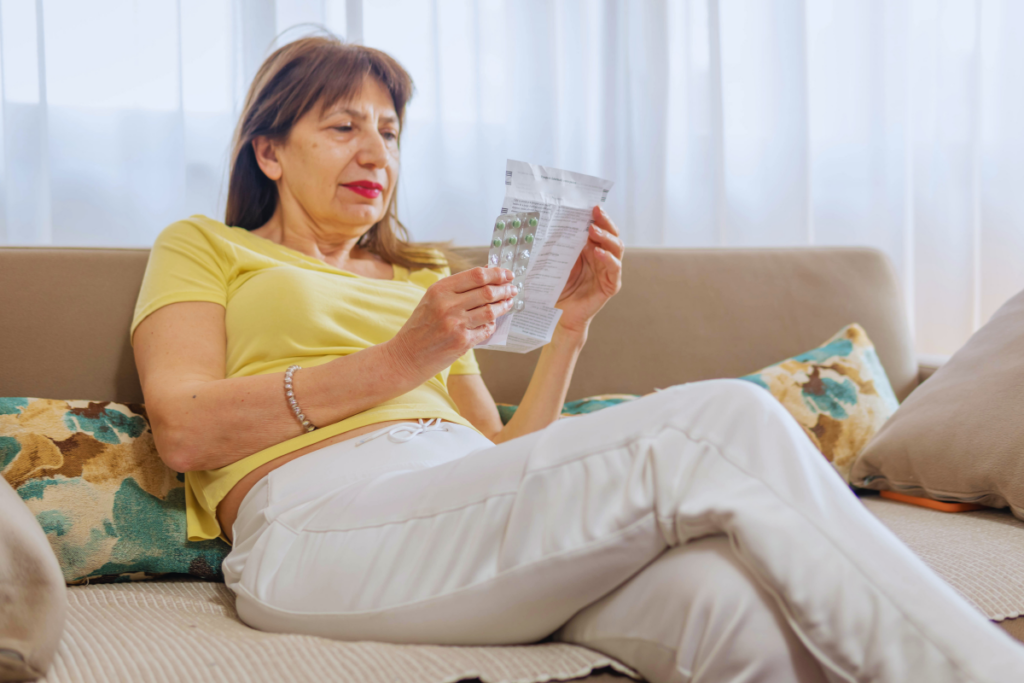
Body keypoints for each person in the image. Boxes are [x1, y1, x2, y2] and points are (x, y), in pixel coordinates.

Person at [130, 36, 1024, 683]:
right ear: (270, 151)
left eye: (391, 131)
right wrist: (406, 357)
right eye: (343, 126)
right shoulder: (206, 246)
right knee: (726, 422)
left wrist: (570, 330)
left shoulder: (419, 274)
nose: (376, 151)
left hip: (463, 507)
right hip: (315, 525)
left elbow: (506, 451)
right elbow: (181, 427)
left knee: (726, 606)